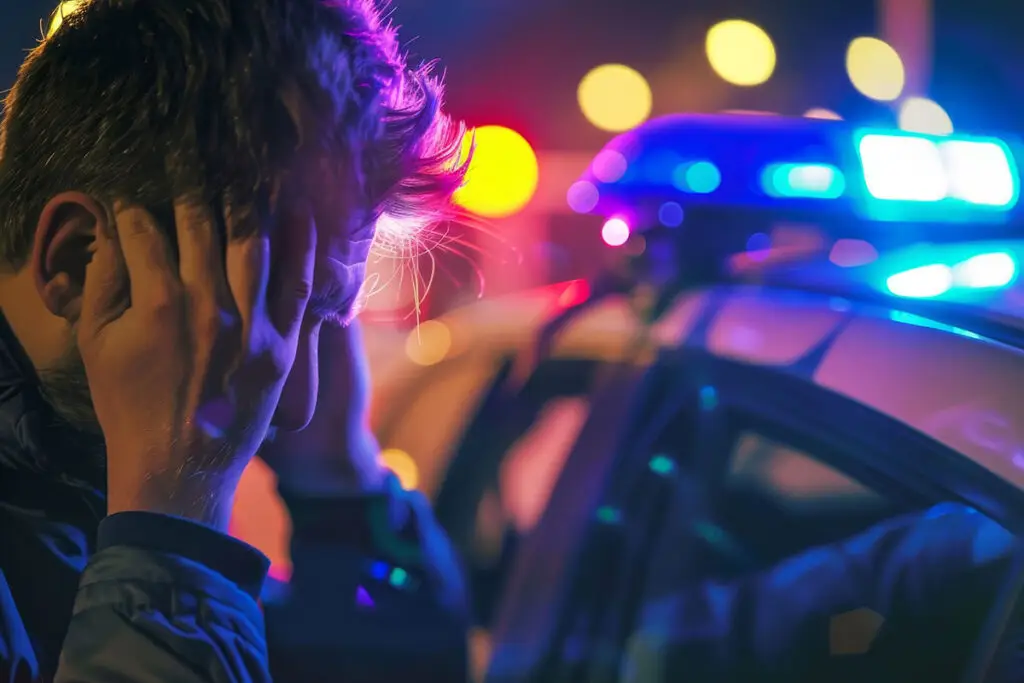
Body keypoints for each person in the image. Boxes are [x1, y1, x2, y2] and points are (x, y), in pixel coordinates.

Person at [0, 0, 469, 681]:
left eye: (321, 320)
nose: (298, 400)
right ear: (77, 259)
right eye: (271, 304)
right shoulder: (137, 513)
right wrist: (173, 525)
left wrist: (339, 477)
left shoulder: (79, 499)